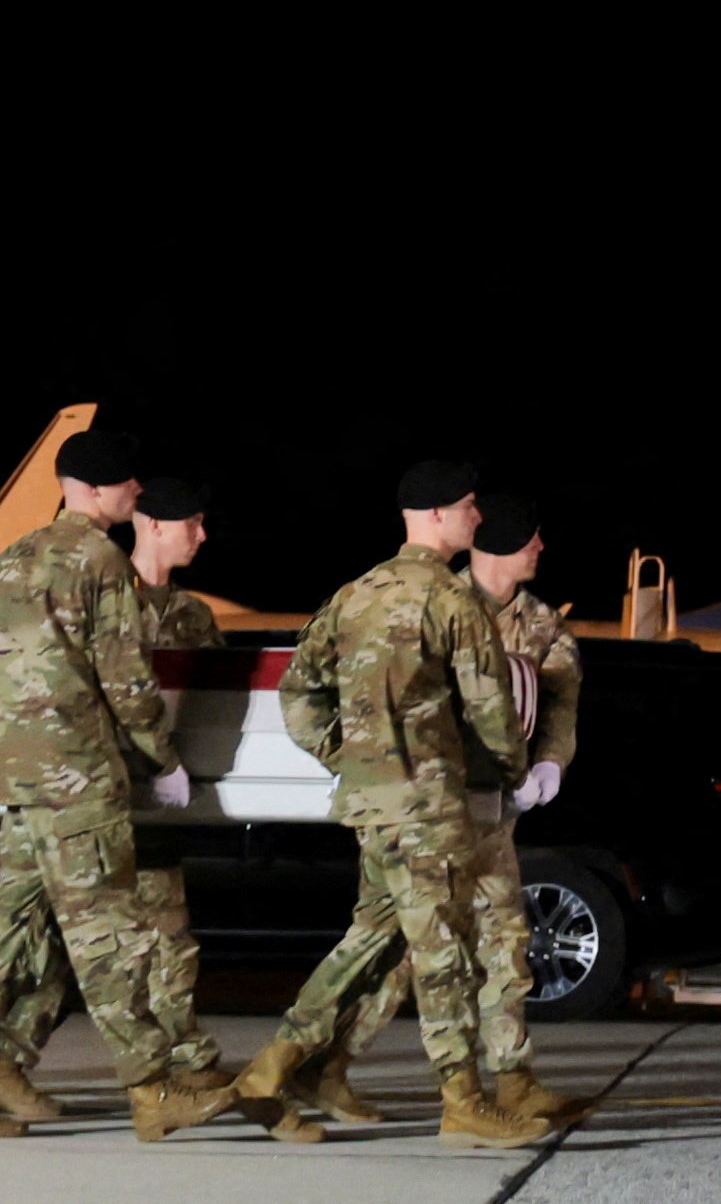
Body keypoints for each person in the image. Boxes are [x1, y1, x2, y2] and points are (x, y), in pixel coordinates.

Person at [232, 464, 548, 1150]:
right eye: (468, 506)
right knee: (442, 955)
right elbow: (493, 710)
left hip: (374, 806)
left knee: (370, 942)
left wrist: (350, 758)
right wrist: (510, 775)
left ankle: (269, 1072)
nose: (477, 518)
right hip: (428, 805)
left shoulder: (356, 594)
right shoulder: (451, 601)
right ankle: (463, 1101)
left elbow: (297, 691)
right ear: (435, 515)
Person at [0, 431, 224, 1139]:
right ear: (90, 489)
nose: (133, 494)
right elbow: (124, 676)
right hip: (79, 777)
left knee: (4, 936)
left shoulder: (16, 557)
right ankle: (152, 1090)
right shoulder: (100, 560)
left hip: (21, 781)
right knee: (108, 933)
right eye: (125, 486)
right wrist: (161, 759)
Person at [287, 489, 588, 1131]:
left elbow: (558, 704)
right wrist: (360, 760)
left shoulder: (542, 624)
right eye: (530, 535)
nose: (539, 547)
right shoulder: (434, 599)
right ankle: (324, 1067)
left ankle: (511, 1079)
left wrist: (548, 765)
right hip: (430, 806)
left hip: (489, 811)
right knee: (406, 951)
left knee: (505, 942)